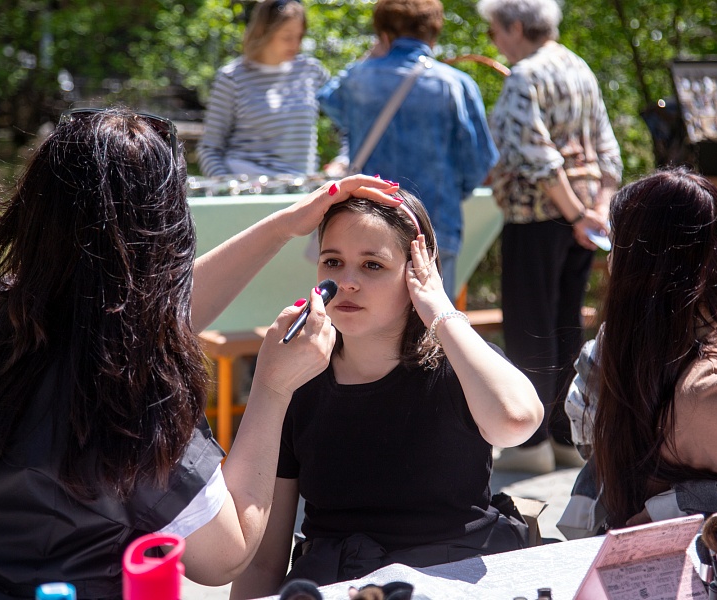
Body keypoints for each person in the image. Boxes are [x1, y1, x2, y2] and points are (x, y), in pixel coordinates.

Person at [0, 107, 398, 599]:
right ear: (163, 229)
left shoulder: (8, 310)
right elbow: (225, 555)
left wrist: (282, 227)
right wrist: (272, 387)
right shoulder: (129, 386)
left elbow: (140, 314)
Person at [229, 190, 544, 598]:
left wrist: (440, 311)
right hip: (337, 583)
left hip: (453, 579)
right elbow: (263, 561)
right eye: (333, 261)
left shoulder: (459, 365)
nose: (347, 282)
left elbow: (516, 420)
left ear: (418, 273)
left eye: (372, 265)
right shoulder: (296, 378)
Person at [560, 168, 717, 535]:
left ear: (639, 266)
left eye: (616, 245)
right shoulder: (616, 347)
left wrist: (686, 501)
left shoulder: (711, 394)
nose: (609, 261)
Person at [477, 0, 623, 473]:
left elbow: (534, 153)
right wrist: (595, 210)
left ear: (516, 27)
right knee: (566, 323)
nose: (495, 42)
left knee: (529, 325)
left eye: (495, 32)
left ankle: (530, 441)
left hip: (537, 216)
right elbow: (607, 147)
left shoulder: (525, 75)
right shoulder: (578, 67)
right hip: (582, 219)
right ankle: (566, 433)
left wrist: (578, 213)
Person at [318, 0, 499, 300]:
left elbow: (327, 99)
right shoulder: (455, 84)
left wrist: (370, 56)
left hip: (364, 229)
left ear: (383, 34)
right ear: (434, 33)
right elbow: (479, 165)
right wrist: (450, 194)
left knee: (362, 322)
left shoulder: (358, 78)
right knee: (433, 320)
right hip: (434, 226)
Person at [197, 0, 328, 178]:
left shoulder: (311, 71)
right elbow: (209, 149)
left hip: (301, 187)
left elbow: (351, 117)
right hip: (247, 186)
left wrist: (343, 161)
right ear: (264, 32)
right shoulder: (232, 77)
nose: (295, 44)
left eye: (300, 36)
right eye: (287, 37)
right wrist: (228, 187)